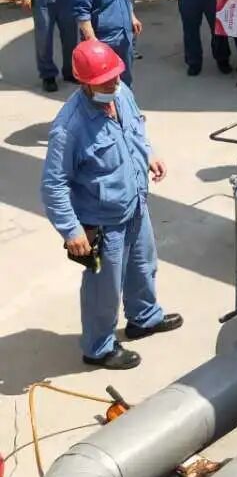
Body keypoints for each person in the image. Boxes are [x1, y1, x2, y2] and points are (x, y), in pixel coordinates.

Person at [40, 39, 181, 370]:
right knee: (103, 288)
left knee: (144, 266)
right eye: (105, 81)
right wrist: (72, 230)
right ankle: (98, 347)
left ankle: (144, 318)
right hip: (102, 220)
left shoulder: (121, 93)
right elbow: (53, 184)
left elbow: (136, 129)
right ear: (85, 83)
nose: (114, 84)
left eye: (116, 76)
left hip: (135, 203)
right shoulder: (69, 127)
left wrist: (149, 154)